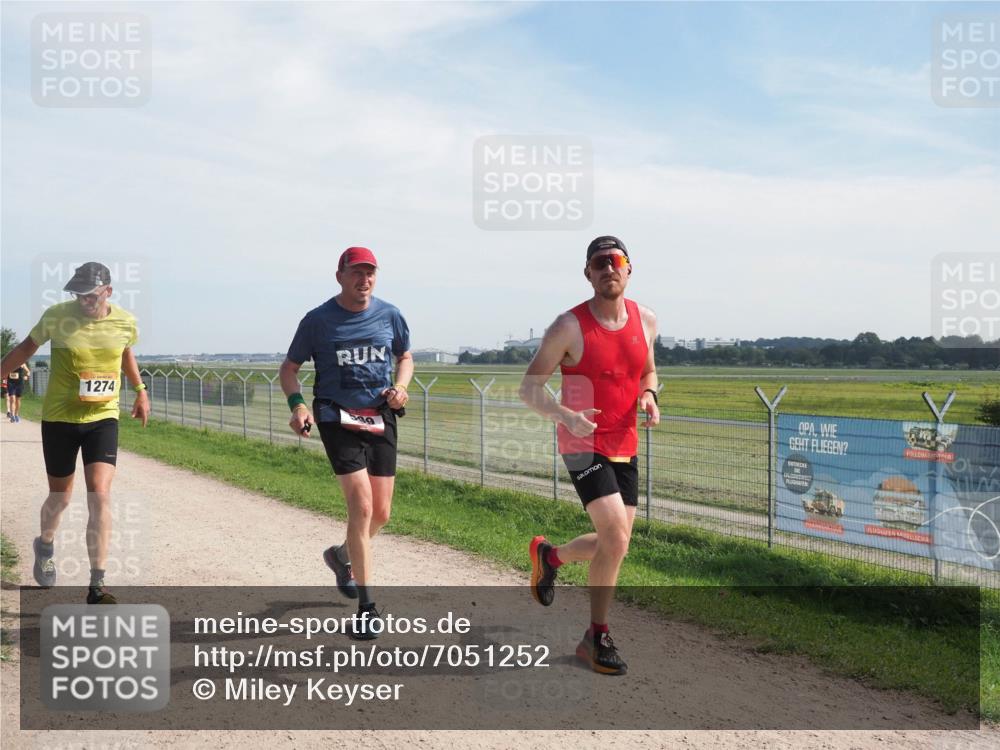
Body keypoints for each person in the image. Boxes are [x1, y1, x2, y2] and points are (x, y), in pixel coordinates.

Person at [519, 236, 660, 676]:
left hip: (625, 443)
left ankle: (551, 557)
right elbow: (529, 388)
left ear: (629, 268)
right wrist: (565, 415)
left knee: (614, 543)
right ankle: (595, 637)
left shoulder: (647, 320)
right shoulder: (569, 326)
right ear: (588, 273)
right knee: (615, 537)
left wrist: (650, 395)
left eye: (616, 260)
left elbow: (648, 370)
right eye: (599, 263)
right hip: (581, 442)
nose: (608, 268)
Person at [280, 246, 412, 639]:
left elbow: (405, 356)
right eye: (356, 272)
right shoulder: (318, 321)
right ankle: (367, 609)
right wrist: (298, 404)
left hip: (380, 415)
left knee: (381, 514)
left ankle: (341, 556)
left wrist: (401, 387)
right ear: (339, 276)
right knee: (362, 506)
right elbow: (289, 368)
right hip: (336, 416)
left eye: (370, 272)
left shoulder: (390, 315)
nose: (364, 279)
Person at [0, 262, 150, 604]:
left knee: (100, 493)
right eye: (78, 295)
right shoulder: (57, 316)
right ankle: (45, 545)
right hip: (60, 419)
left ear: (108, 291)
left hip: (102, 417)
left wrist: (140, 390)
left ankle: (97, 585)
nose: (84, 301)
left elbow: (125, 353)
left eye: (91, 295)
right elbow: (26, 348)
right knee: (61, 497)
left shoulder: (125, 321)